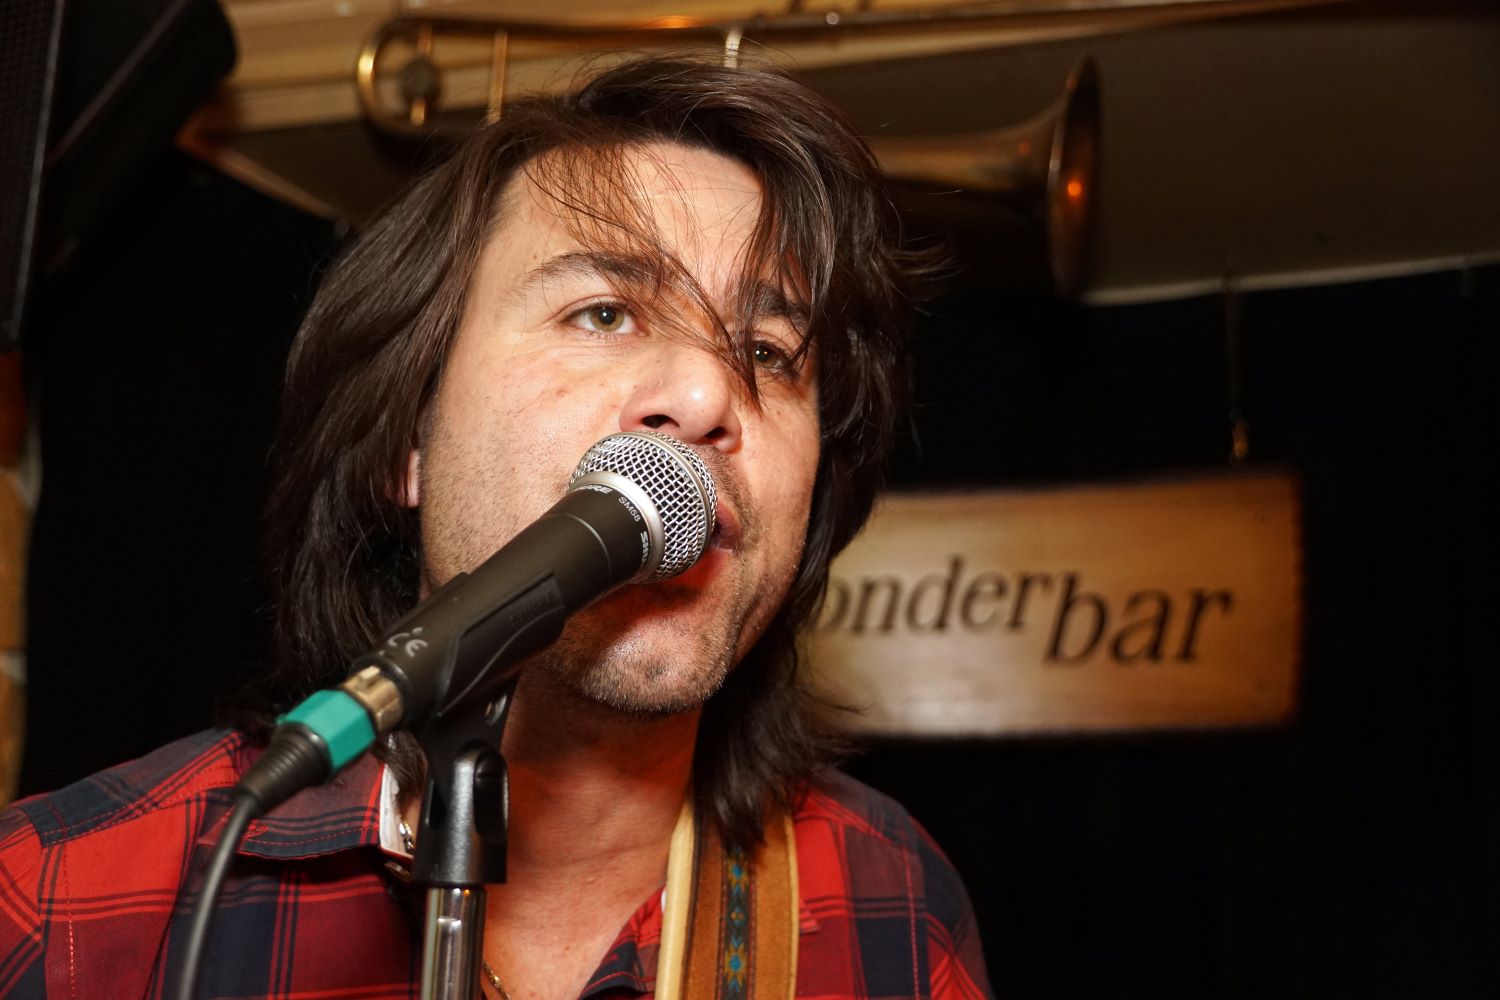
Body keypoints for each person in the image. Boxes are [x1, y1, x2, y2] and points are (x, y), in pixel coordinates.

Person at [0, 56, 990, 999]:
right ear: (406, 442)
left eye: (769, 352)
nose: (704, 395)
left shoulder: (887, 896)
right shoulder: (54, 904)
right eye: (605, 313)